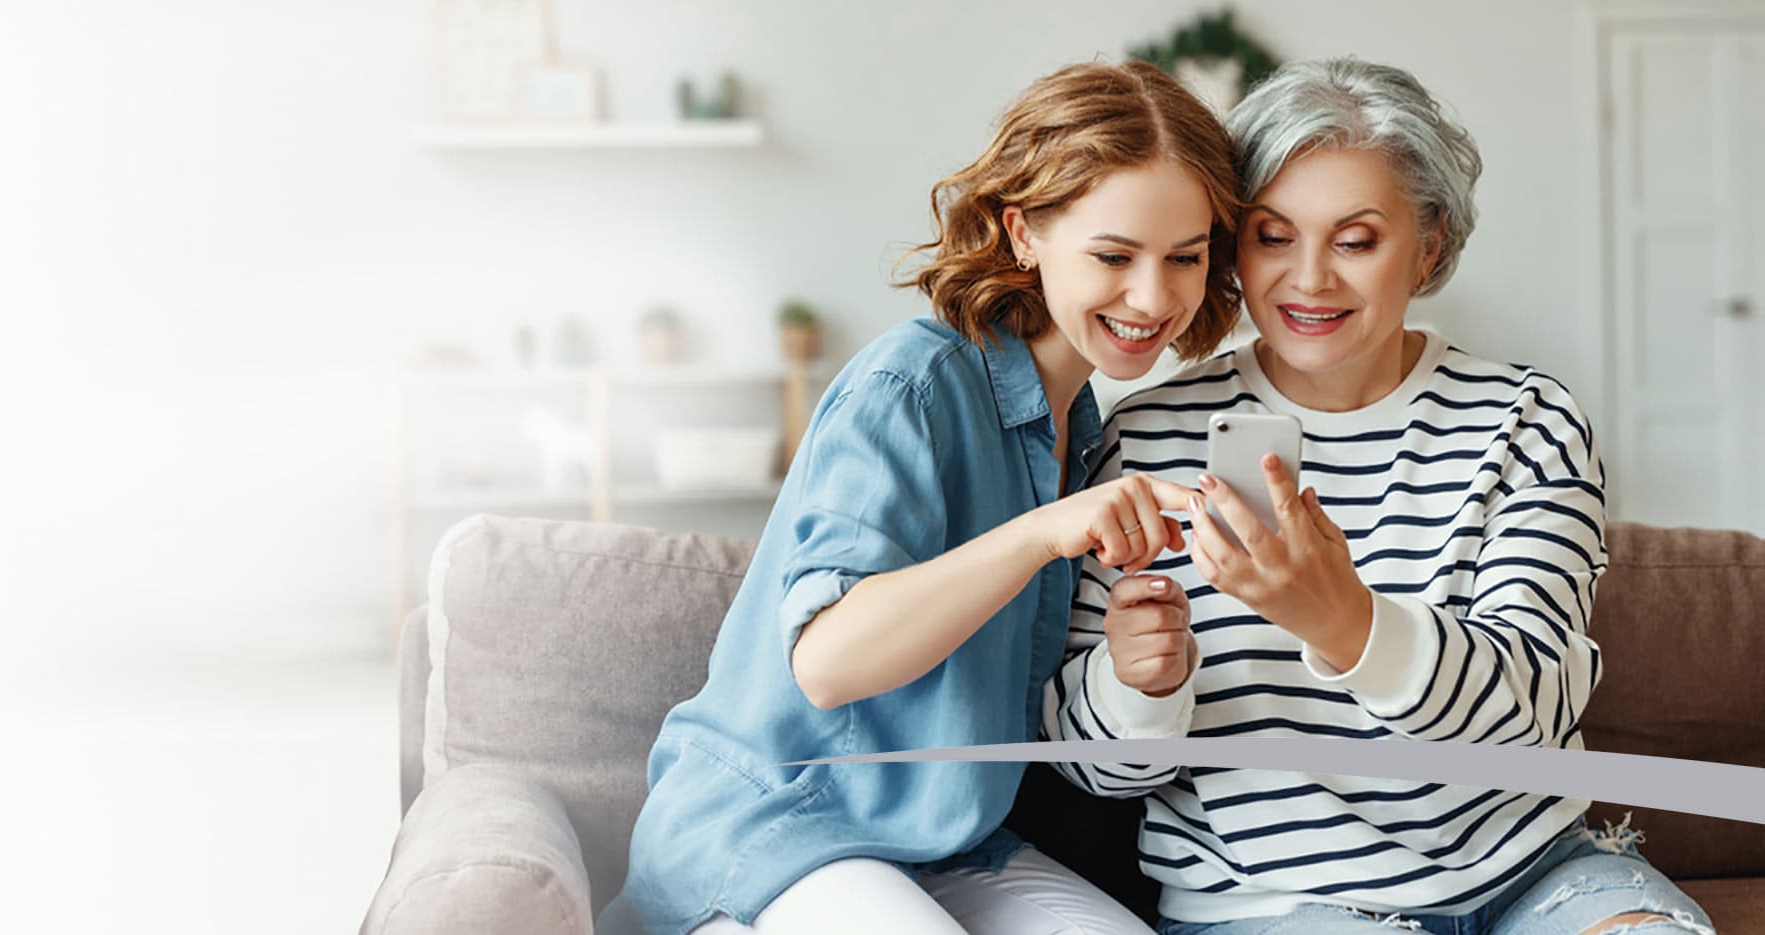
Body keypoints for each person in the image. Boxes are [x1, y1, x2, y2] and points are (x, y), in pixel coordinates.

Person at [1043, 57, 1716, 935]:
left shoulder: (1525, 420)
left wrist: (1344, 620)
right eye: (1272, 236)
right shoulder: (1147, 436)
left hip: (1530, 875)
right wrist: (1135, 682)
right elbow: (1086, 763)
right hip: (1269, 905)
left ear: (1429, 245)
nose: (1310, 279)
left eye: (1356, 240)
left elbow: (1536, 701)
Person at [597, 61, 1243, 935]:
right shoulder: (913, 385)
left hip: (947, 847)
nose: (1154, 295)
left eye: (1185, 257)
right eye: (1114, 255)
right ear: (1024, 233)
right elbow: (827, 661)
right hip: (775, 834)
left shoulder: (1087, 429)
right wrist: (1042, 531)